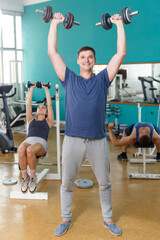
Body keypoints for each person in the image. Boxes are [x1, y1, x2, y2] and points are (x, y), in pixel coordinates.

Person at [48, 12, 126, 236]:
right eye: (82, 57)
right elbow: (52, 52)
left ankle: (108, 220)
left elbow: (121, 53)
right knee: (66, 183)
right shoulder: (68, 78)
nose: (86, 60)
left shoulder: (103, 79)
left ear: (94, 60)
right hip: (72, 139)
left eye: (90, 57)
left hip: (98, 141)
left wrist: (119, 24)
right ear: (77, 60)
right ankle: (66, 219)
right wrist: (54, 23)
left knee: (105, 183)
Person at [18, 83, 54, 193]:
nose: (41, 108)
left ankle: (33, 177)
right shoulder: (31, 119)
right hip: (29, 140)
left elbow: (50, 105)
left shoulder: (48, 121)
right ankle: (25, 177)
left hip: (40, 143)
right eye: (39, 107)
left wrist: (46, 89)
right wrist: (31, 88)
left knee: (29, 150)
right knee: (21, 149)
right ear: (36, 111)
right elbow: (28, 105)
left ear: (46, 112)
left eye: (43, 108)